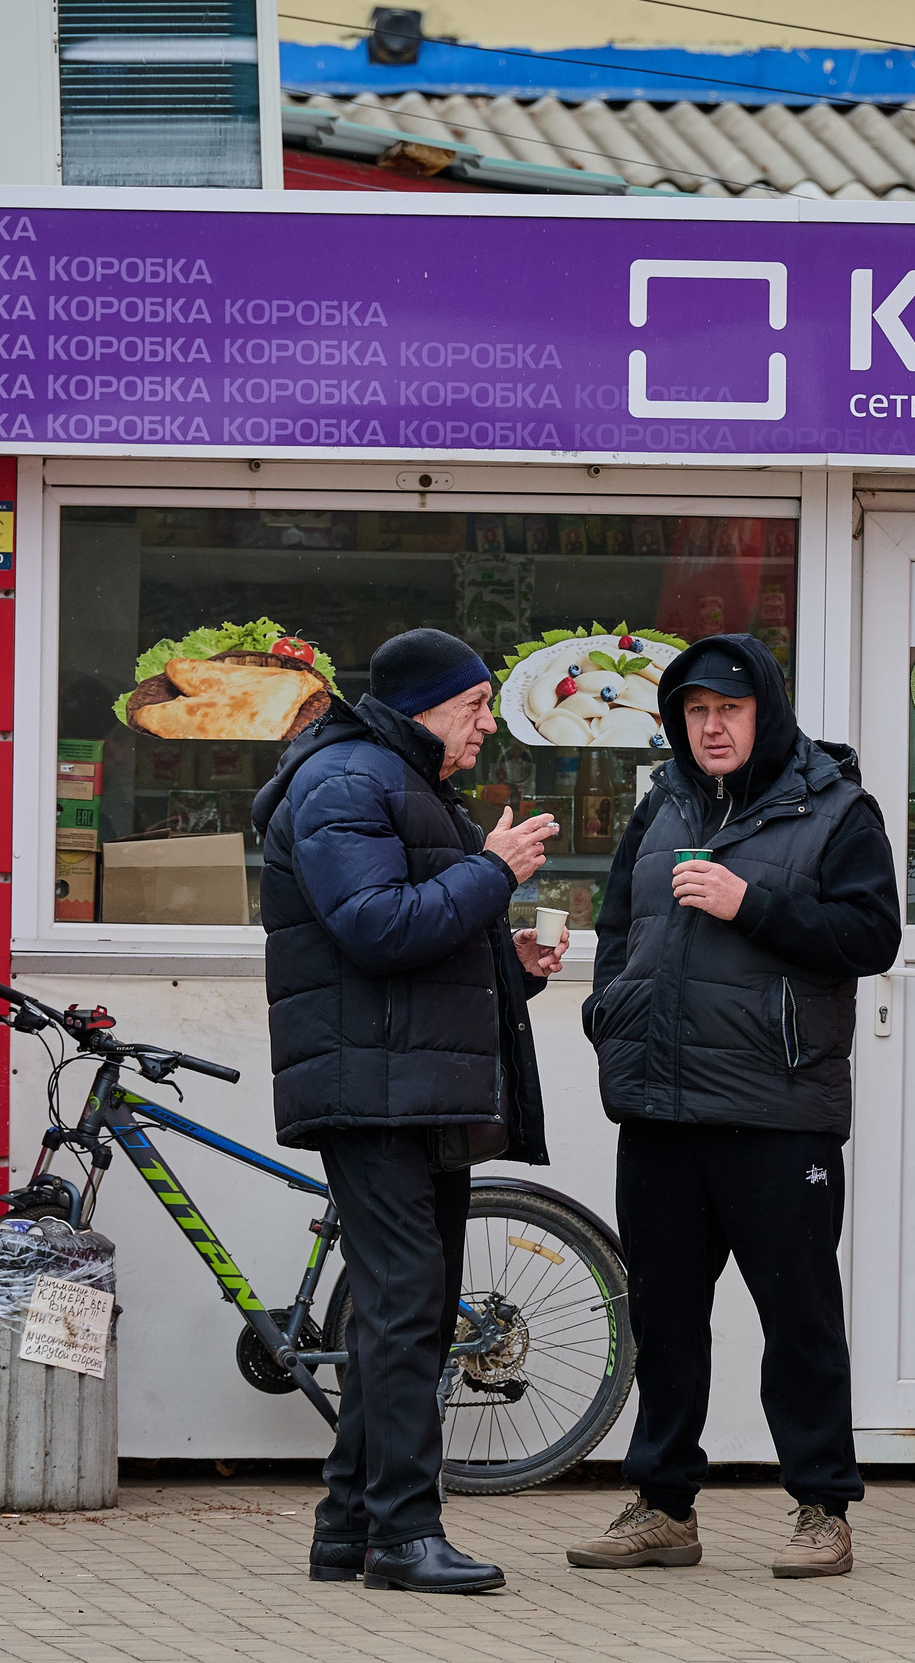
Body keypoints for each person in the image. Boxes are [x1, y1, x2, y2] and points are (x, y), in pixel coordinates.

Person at [566, 634, 900, 1580]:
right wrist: (609, 1008)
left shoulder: (837, 808)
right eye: (695, 712)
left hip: (776, 1106)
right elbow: (620, 922)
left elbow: (872, 937)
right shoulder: (662, 803)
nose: (711, 728)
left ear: (768, 712)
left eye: (730, 709)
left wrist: (749, 901)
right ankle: (664, 1506)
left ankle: (822, 1507)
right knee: (664, 1317)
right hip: (662, 1105)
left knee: (797, 1316)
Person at [250, 627, 563, 1594]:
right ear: (429, 703)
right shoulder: (347, 781)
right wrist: (495, 872)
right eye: (476, 705)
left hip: (411, 1085)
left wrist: (507, 961)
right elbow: (378, 927)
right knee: (400, 1310)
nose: (486, 725)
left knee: (412, 1311)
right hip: (371, 1091)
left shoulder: (403, 782)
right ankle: (404, 1534)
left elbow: (421, 935)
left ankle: (347, 1530)